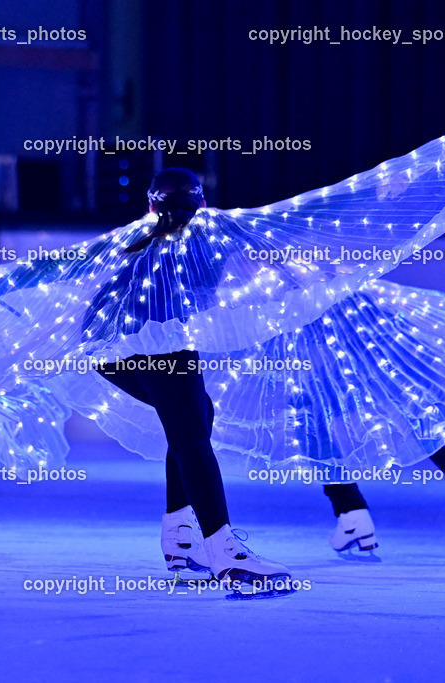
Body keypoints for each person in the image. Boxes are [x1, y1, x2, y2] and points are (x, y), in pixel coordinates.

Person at [97, 169, 294, 594]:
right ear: (201, 203)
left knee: (198, 415)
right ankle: (226, 554)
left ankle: (180, 538)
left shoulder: (138, 241)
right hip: (156, 345)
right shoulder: (209, 236)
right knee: (190, 435)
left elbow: (66, 271)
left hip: (106, 350)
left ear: (151, 205)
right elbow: (278, 228)